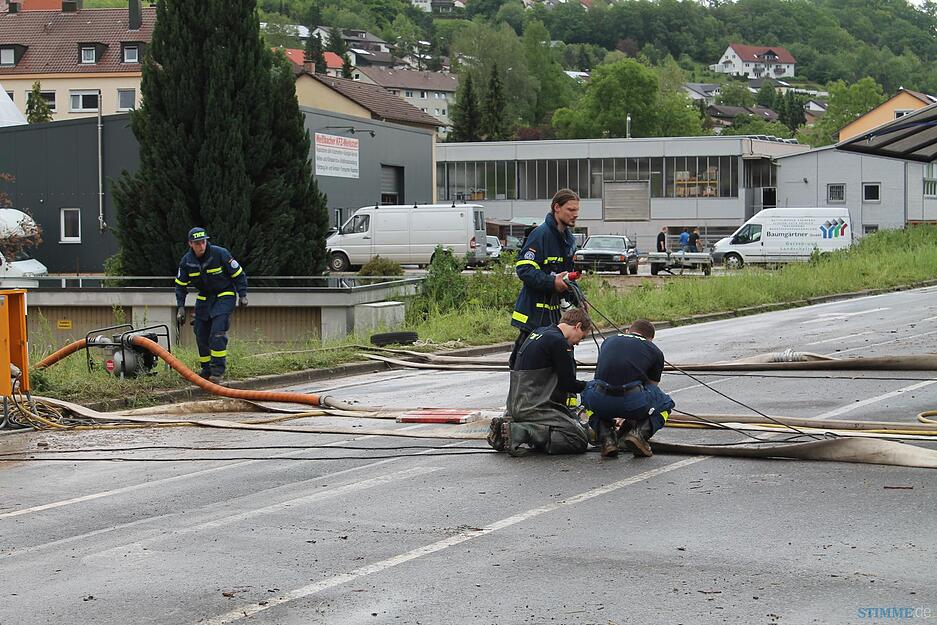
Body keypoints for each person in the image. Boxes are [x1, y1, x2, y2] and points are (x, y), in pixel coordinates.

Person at [488, 308, 592, 456]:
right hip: (535, 406)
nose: (578, 343)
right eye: (581, 337)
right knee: (578, 438)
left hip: (514, 405)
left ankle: (507, 426)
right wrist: (590, 386)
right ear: (577, 326)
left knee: (568, 421)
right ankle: (520, 431)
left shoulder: (538, 332)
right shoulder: (558, 342)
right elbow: (568, 384)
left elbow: (512, 361)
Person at [509, 188, 581, 369]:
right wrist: (552, 282)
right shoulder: (540, 235)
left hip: (553, 315)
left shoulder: (569, 240)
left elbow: (566, 278)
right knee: (524, 365)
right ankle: (521, 397)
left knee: (557, 363)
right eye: (571, 210)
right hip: (533, 315)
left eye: (577, 210)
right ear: (557, 207)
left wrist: (578, 300)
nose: (575, 215)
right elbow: (524, 269)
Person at [580, 320, 675, 458]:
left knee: (586, 394)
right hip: (633, 402)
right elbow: (652, 388)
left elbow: (599, 378)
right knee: (665, 403)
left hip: (600, 400)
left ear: (628, 331)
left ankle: (607, 437)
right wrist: (628, 415)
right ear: (650, 339)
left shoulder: (609, 341)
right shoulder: (654, 350)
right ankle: (639, 434)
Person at [174, 227, 248, 383]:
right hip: (205, 298)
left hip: (225, 295)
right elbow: (180, 286)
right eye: (197, 243)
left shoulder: (220, 253)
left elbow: (238, 275)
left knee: (217, 333)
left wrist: (242, 295)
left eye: (203, 242)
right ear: (190, 244)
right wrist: (180, 307)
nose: (201, 246)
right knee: (200, 332)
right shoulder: (187, 261)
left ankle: (217, 372)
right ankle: (206, 370)